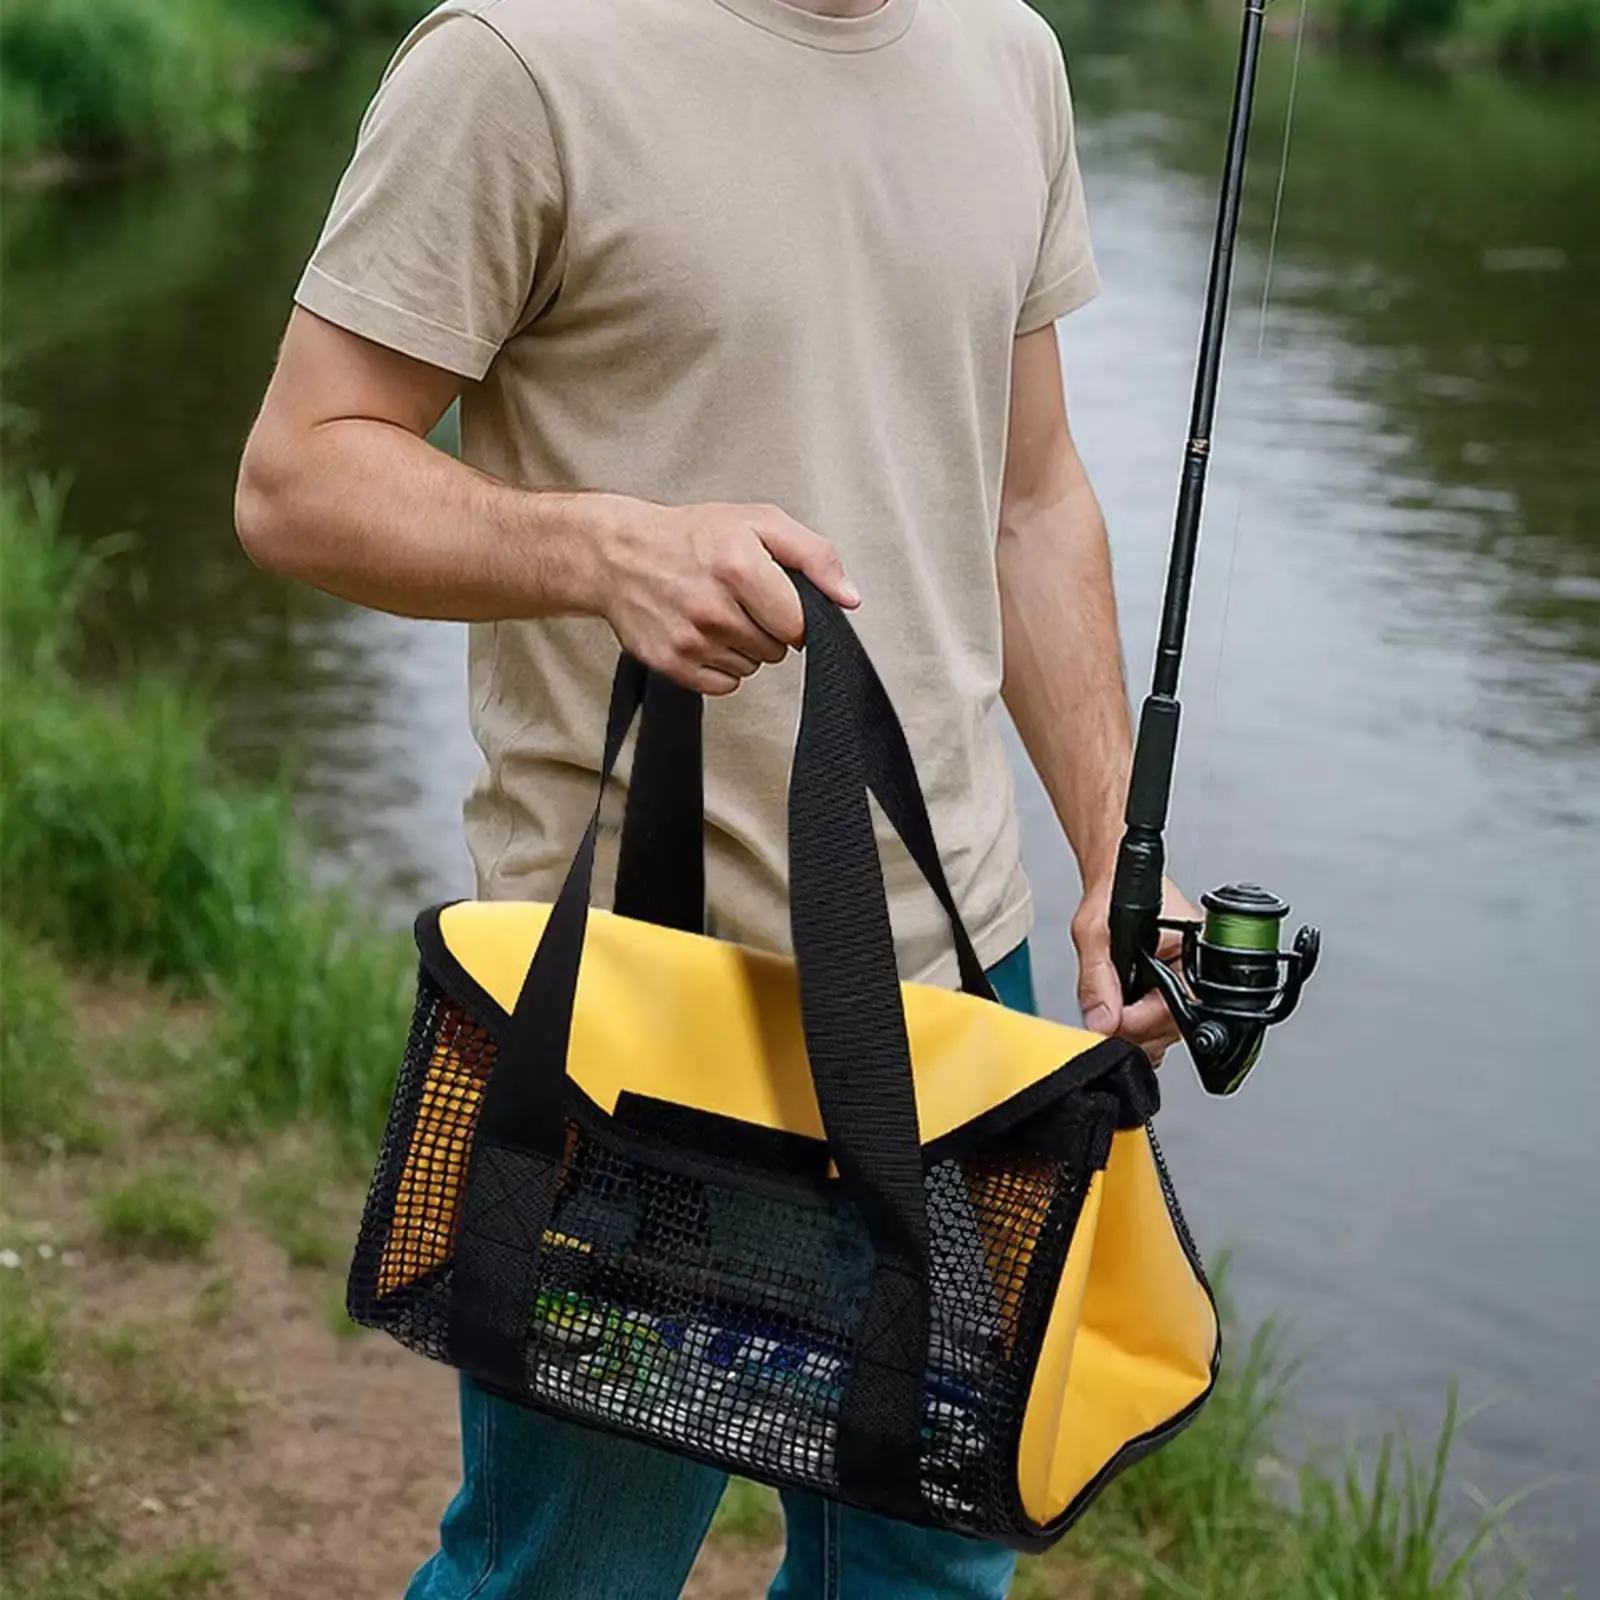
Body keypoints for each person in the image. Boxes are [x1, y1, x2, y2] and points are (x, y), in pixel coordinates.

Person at [235, 0, 1195, 1592]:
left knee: (929, 1571)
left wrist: (1110, 850)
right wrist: (607, 547)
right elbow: (298, 474)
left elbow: (1031, 499)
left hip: (964, 989)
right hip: (641, 1000)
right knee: (576, 1570)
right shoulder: (514, 57)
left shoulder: (1009, 51)